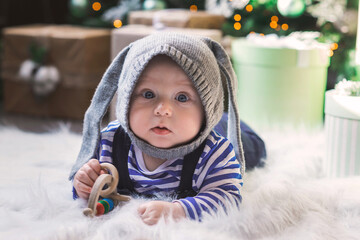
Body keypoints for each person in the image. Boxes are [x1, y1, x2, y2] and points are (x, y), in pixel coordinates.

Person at [69, 33, 266, 225]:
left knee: (253, 148)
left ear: (208, 107)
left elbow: (227, 198)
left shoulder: (214, 153)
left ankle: (224, 122)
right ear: (126, 99)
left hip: (222, 129)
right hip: (188, 124)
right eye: (148, 94)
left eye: (182, 97)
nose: (163, 110)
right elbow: (94, 183)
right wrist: (84, 183)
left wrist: (178, 211)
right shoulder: (111, 141)